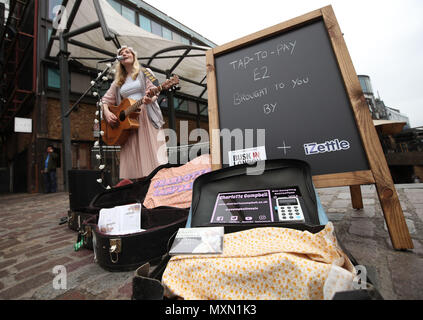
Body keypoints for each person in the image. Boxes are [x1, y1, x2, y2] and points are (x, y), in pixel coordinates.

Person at [101, 46, 168, 181]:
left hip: (145, 115)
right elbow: (104, 100)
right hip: (127, 121)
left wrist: (151, 98)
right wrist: (107, 113)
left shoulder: (145, 71)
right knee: (133, 157)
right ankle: (139, 189)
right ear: (119, 60)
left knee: (151, 155)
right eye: (121, 53)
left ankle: (156, 186)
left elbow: (155, 90)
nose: (124, 54)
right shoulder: (118, 82)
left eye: (127, 51)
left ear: (133, 56)